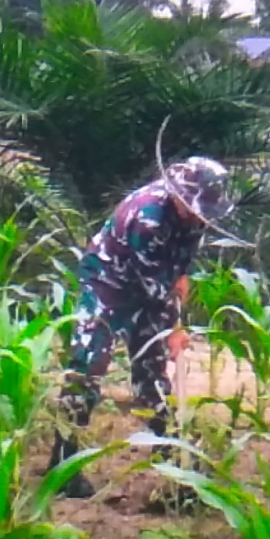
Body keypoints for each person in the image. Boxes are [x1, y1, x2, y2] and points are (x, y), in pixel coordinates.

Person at [47, 157, 236, 498]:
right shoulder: (146, 217)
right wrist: (175, 328)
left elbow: (178, 266)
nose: (200, 216)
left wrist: (180, 284)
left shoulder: (196, 214)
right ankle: (63, 461)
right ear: (178, 195)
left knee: (153, 372)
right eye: (195, 208)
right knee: (89, 366)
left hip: (153, 284)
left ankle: (172, 459)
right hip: (109, 283)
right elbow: (153, 289)